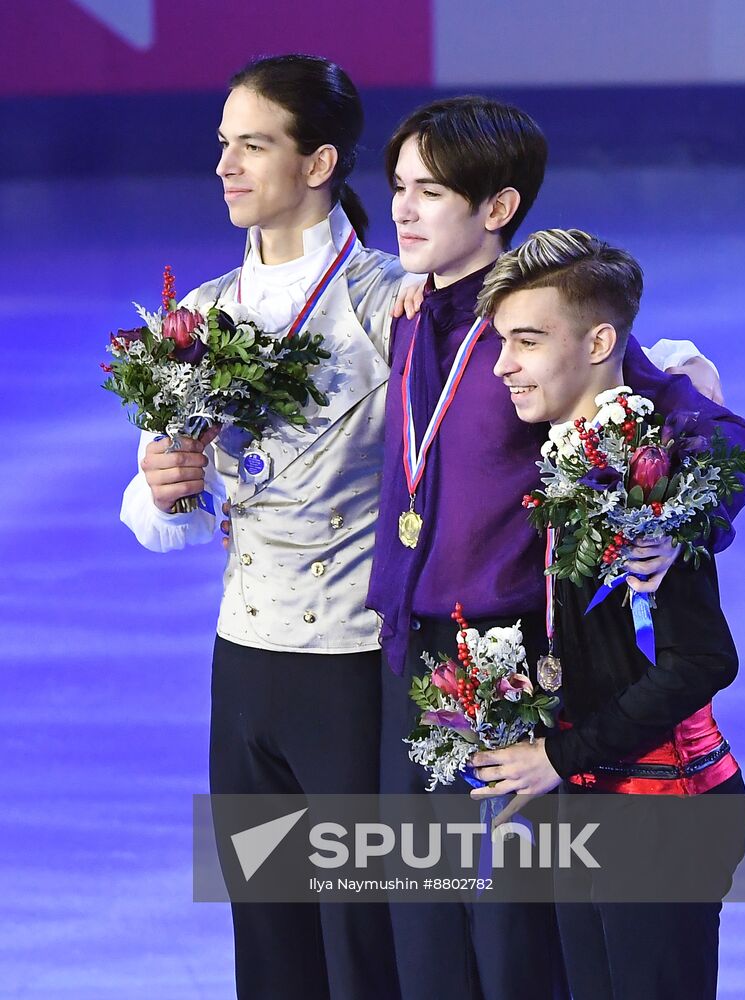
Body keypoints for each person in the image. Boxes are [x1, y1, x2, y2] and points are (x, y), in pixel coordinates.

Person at [367, 98, 719, 1000]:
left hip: (516, 666)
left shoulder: (550, 334)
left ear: (496, 207)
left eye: (429, 191)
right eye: (398, 186)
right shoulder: (410, 312)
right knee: (426, 931)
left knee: (518, 942)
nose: (402, 208)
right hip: (415, 660)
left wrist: (685, 525)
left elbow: (703, 429)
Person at [120, 54, 406, 1000]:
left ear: (317, 162)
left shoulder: (391, 302)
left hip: (357, 664)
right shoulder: (199, 315)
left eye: (252, 145)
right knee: (269, 936)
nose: (224, 166)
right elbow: (167, 512)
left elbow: (550, 358)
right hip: (244, 662)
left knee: (363, 939)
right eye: (222, 144)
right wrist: (163, 489)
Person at [469, 228, 745, 999]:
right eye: (502, 340)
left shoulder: (652, 473)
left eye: (526, 341)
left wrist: (561, 755)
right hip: (588, 799)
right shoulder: (561, 456)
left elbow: (702, 660)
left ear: (599, 343)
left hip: (663, 811)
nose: (502, 365)